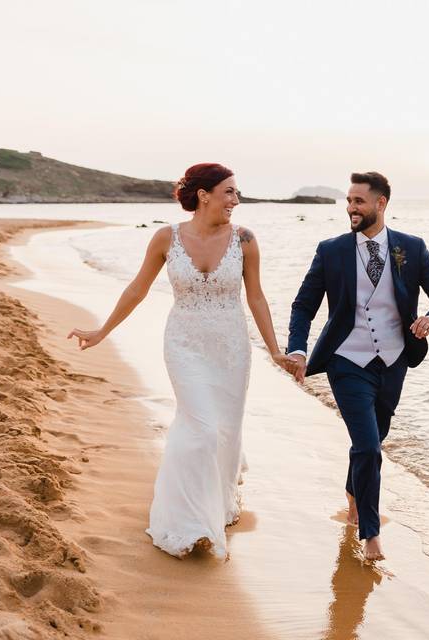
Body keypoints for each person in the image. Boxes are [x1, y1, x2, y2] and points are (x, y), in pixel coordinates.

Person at [68, 163, 293, 559]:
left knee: (225, 429)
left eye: (237, 193)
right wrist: (102, 331)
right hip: (184, 345)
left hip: (231, 348)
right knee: (201, 429)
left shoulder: (245, 240)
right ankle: (186, 522)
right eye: (229, 192)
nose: (236, 201)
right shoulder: (165, 238)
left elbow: (256, 297)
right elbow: (138, 288)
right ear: (203, 195)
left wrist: (275, 349)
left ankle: (217, 507)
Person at [286, 171, 429, 560]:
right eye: (348, 201)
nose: (351, 208)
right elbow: (304, 305)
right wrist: (298, 349)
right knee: (368, 447)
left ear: (381, 203)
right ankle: (370, 532)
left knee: (372, 442)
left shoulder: (411, 247)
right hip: (347, 360)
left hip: (394, 362)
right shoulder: (331, 250)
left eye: (359, 201)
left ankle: (352, 500)